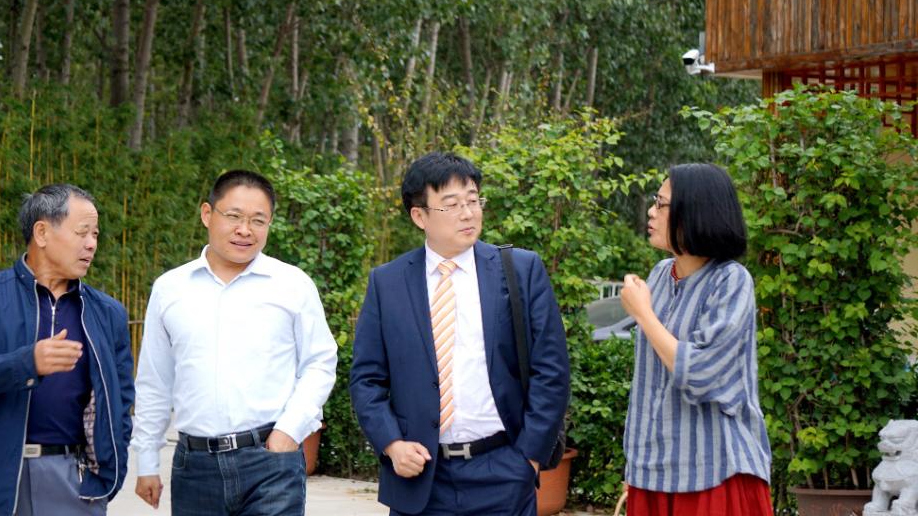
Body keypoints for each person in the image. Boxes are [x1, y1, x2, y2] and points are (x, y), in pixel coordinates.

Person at [350, 151, 570, 516]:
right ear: (419, 216)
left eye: (473, 200)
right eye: (451, 205)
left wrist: (528, 459)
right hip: (420, 477)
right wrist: (391, 444)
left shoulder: (520, 270)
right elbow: (366, 379)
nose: (468, 213)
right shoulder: (387, 283)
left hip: (503, 471)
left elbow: (551, 370)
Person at [132, 169, 338, 515]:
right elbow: (155, 381)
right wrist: (147, 461)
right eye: (234, 216)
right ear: (207, 214)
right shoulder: (170, 289)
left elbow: (320, 362)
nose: (245, 230)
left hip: (271, 462)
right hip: (195, 467)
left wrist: (289, 431)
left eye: (258, 220)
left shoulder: (292, 285)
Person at [0, 184, 135, 516]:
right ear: (42, 232)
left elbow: (121, 402)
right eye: (82, 232)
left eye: (95, 235)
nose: (91, 244)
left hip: (74, 482)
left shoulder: (107, 313)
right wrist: (27, 362)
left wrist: (107, 477)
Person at [619, 163, 773, 516]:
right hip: (653, 473)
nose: (651, 212)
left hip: (715, 473)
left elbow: (702, 373)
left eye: (661, 204)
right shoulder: (660, 275)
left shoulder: (731, 281)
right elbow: (648, 385)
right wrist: (635, 465)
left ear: (695, 211)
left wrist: (644, 314)